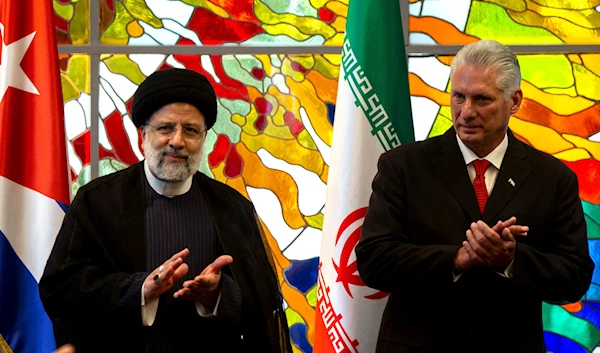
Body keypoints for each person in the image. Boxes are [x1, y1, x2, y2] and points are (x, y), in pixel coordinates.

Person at [355, 40, 594, 353]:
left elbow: (574, 278)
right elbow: (373, 261)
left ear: (514, 101)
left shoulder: (552, 178)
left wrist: (511, 260)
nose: (466, 112)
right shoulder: (403, 166)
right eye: (458, 97)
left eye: (482, 99)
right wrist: (456, 259)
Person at [39, 68, 292, 353]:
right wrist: (139, 291)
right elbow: (59, 289)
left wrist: (218, 295)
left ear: (204, 139)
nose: (177, 141)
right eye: (165, 128)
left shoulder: (232, 208)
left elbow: (264, 303)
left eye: (191, 130)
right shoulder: (96, 201)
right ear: (142, 135)